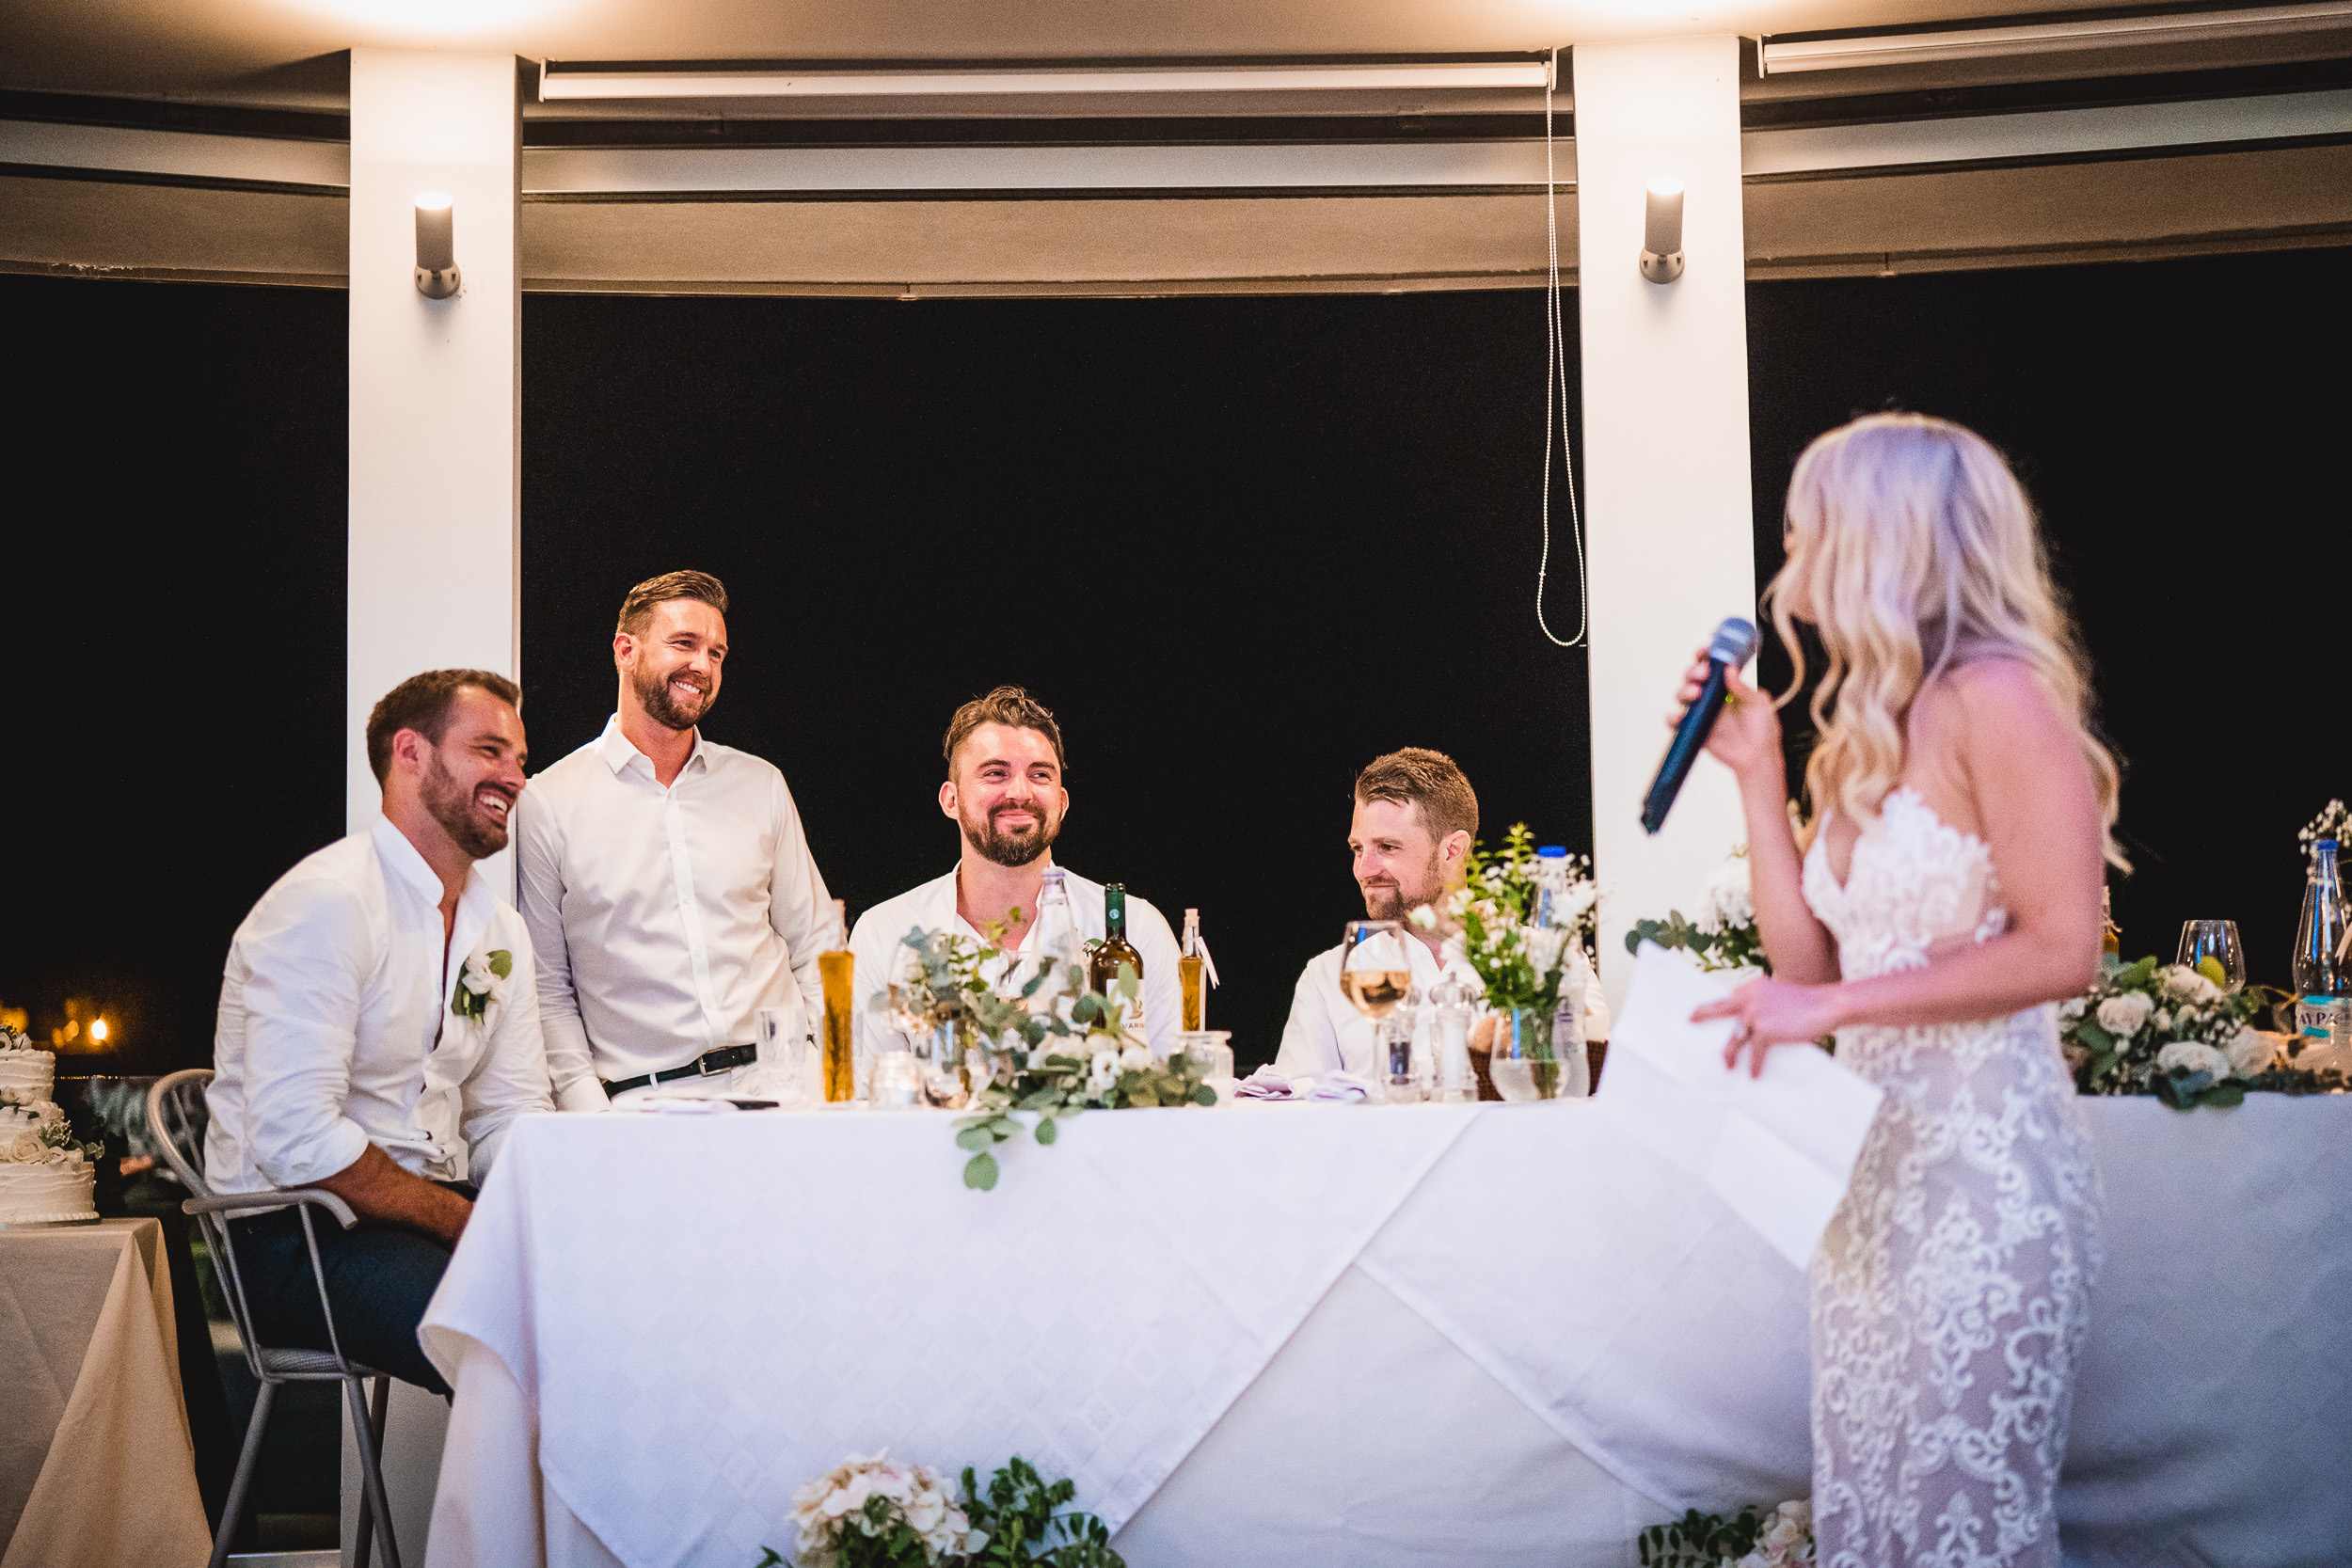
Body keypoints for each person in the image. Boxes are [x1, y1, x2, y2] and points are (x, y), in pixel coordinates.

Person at [1684, 413, 2115, 1567]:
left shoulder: (2000, 697)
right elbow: (1808, 966)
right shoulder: (1868, 729)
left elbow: (2062, 944)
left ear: (1882, 539)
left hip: (1982, 1187)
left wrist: (1823, 1015)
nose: (1787, 563)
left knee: (1960, 1522)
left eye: (1804, 530)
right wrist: (1758, 767)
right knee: (1872, 1517)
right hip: (1869, 1193)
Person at [205, 670, 551, 1395]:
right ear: (410, 753)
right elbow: (296, 1137)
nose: (515, 776)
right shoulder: (327, 902)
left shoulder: (500, 929)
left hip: (424, 1217)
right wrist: (462, 1222)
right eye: (490, 750)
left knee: (611, 1298)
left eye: (519, 758)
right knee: (520, 1342)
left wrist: (557, 1201)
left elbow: (506, 1115)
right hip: (295, 1239)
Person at [516, 571, 834, 1106]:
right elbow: (547, 986)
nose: (703, 665)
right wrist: (587, 1111)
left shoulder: (760, 784)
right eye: (684, 644)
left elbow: (815, 940)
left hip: (786, 1088)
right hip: (644, 1104)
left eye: (716, 652)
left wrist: (827, 1073)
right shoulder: (548, 801)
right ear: (625, 650)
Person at [850, 686, 1181, 1056]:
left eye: (1040, 775)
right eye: (995, 773)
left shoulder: (1135, 928)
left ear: (1063, 802)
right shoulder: (884, 933)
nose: (1020, 792)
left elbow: (1170, 1090)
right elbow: (869, 1105)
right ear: (951, 800)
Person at [1275, 747, 1608, 1083]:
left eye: (1387, 847)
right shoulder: (1328, 977)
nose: (1364, 869)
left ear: (1453, 850)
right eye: (1357, 849)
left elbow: (1592, 1072)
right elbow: (1293, 1111)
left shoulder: (1546, 955)